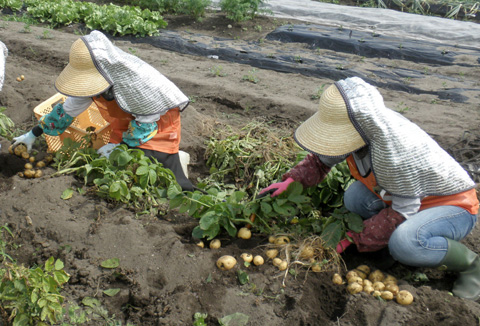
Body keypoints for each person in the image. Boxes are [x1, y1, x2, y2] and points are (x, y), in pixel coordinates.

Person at [259, 77, 479, 300]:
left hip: (453, 207)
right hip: (412, 199)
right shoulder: (355, 133)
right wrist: (292, 181)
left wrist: (354, 237)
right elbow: (320, 161)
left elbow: (403, 211)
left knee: (404, 243)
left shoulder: (394, 152)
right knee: (354, 197)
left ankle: (472, 265)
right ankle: (388, 247)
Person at [11, 30, 194, 191]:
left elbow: (146, 123)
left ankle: (176, 158)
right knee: (116, 164)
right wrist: (33, 133)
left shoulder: (135, 84)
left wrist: (121, 148)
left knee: (156, 172)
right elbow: (67, 110)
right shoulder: (92, 81)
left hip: (157, 122)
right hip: (126, 124)